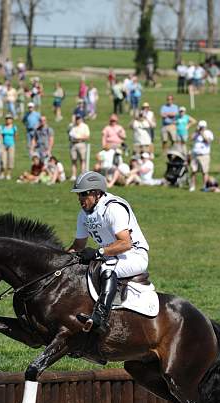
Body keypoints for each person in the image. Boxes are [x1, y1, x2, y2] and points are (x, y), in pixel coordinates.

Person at [68, 171, 149, 334]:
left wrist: (98, 252)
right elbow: (78, 245)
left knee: (107, 269)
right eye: (79, 195)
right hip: (110, 255)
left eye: (84, 194)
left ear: (97, 193)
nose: (80, 199)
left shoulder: (112, 208)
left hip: (134, 255)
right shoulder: (83, 215)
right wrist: (58, 261)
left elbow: (126, 243)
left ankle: (100, 317)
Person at [189, 120, 214, 192]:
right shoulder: (196, 133)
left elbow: (208, 141)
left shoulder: (208, 132)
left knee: (204, 172)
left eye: (202, 127)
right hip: (195, 154)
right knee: (193, 171)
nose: (201, 128)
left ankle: (205, 186)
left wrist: (202, 133)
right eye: (200, 127)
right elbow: (191, 138)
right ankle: (192, 186)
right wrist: (196, 132)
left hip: (204, 155)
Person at [68, 115, 90, 181]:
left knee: (82, 160)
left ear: (81, 119)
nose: (77, 120)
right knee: (73, 160)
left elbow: (87, 136)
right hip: (73, 144)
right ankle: (73, 175)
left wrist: (79, 138)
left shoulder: (85, 126)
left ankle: (82, 175)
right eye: (76, 119)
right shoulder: (72, 126)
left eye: (78, 118)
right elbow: (69, 135)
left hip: (81, 144)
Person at [1, 113, 17, 180]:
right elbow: (1, 135)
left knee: (11, 159)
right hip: (3, 145)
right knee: (3, 159)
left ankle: (8, 174)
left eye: (9, 118)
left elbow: (15, 136)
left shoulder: (14, 127)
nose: (8, 120)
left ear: (12, 120)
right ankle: (2, 173)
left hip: (11, 145)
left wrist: (13, 143)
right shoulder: (3, 127)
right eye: (7, 119)